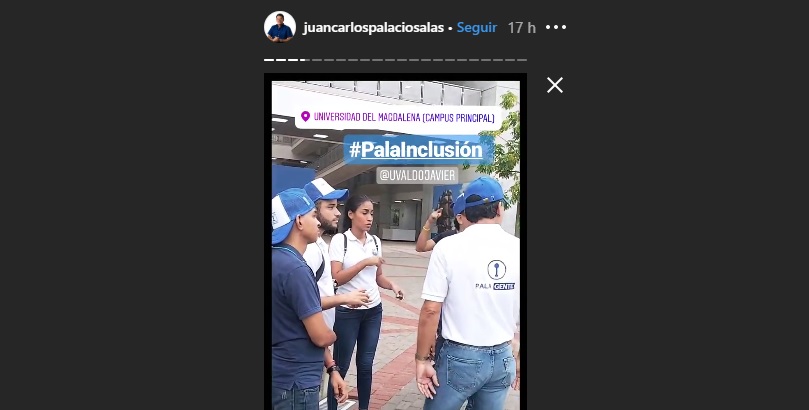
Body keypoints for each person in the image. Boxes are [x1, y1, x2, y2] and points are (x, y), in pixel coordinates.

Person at [414, 176, 521, 409]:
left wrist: (422, 359)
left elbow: (431, 310)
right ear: (500, 209)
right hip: (503, 356)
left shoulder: (448, 247)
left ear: (466, 214)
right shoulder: (517, 248)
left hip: (460, 357)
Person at [327, 194, 404, 410]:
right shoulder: (340, 241)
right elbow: (337, 278)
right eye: (364, 212)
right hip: (347, 311)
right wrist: (364, 262)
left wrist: (392, 286)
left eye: (371, 213)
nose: (370, 217)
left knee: (365, 365)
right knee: (340, 367)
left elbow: (378, 277)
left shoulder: (375, 241)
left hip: (373, 311)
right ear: (351, 214)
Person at [301, 178, 371, 402]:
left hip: (316, 346)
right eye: (330, 207)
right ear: (311, 210)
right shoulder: (309, 251)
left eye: (337, 206)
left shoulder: (320, 244)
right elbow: (303, 303)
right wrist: (344, 297)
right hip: (305, 346)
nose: (338, 212)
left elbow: (316, 293)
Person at [271, 188, 338, 409]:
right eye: (312, 215)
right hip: (296, 381)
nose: (318, 222)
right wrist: (333, 335)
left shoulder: (277, 259)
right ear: (298, 221)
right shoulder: (296, 269)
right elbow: (320, 336)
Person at [415, 194, 471, 364]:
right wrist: (429, 222)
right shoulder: (447, 237)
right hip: (447, 301)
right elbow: (421, 247)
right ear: (460, 218)